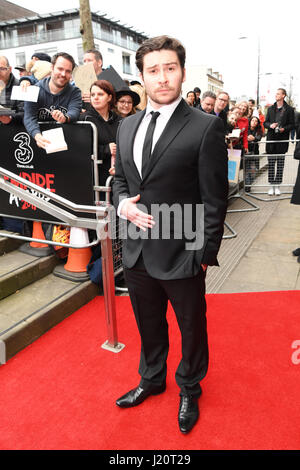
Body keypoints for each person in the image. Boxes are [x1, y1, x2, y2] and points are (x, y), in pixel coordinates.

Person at [112, 35, 228, 434]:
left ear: (181, 70)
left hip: (183, 249)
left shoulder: (205, 127)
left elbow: (215, 197)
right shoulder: (126, 126)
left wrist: (202, 253)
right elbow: (120, 182)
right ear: (141, 77)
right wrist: (123, 202)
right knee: (148, 323)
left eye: (169, 68)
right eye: (153, 70)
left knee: (191, 324)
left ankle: (189, 386)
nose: (162, 78)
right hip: (137, 249)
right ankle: (152, 377)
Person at [23, 52, 82, 149]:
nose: (63, 74)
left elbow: (75, 111)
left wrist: (65, 118)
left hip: (67, 147)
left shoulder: (75, 92)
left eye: (68, 71)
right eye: (60, 69)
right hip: (37, 145)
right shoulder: (34, 90)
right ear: (52, 67)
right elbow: (29, 116)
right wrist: (37, 135)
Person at [80, 79, 122, 184]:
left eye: (100, 94)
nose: (96, 98)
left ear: (109, 97)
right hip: (94, 180)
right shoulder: (84, 119)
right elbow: (80, 150)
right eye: (93, 94)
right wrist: (106, 149)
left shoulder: (120, 120)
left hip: (117, 177)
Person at [264, 88, 295, 195]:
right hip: (271, 139)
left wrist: (284, 129)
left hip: (282, 140)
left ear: (283, 95)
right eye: (275, 93)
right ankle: (271, 185)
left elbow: (292, 125)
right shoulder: (270, 108)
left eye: (278, 94)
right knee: (271, 163)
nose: (276, 95)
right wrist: (270, 125)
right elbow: (265, 123)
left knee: (280, 164)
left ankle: (277, 186)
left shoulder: (289, 109)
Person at [0, 55, 24, 125]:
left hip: (15, 132)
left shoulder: (20, 86)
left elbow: (25, 114)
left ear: (10, 69)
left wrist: (10, 119)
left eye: (1, 68)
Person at [244, 116, 263, 192]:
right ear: (250, 121)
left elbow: (259, 138)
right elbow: (245, 137)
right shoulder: (246, 129)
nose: (254, 122)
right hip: (246, 151)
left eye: (256, 121)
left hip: (255, 152)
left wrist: (254, 138)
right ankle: (247, 186)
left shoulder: (259, 130)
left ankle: (249, 184)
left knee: (254, 169)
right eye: (253, 120)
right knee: (247, 169)